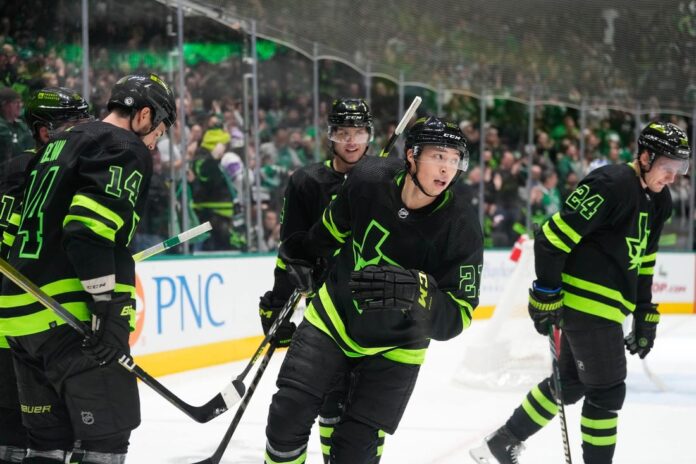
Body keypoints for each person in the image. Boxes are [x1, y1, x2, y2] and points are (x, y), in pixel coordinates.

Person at [263, 116, 484, 463]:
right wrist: (304, 256)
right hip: (335, 317)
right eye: (438, 156)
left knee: (355, 450)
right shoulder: (368, 178)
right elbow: (330, 231)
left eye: (455, 160)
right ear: (411, 155)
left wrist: (418, 293)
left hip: (397, 345)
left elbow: (460, 315)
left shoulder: (462, 226)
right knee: (286, 416)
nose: (447, 168)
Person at [469, 121, 690, 464]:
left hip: (608, 307)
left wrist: (645, 310)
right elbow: (551, 238)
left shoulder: (660, 201)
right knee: (607, 390)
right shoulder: (610, 183)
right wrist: (546, 290)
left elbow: (645, 259)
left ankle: (502, 441)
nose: (673, 177)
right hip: (586, 303)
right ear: (645, 157)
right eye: (667, 167)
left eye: (680, 168)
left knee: (571, 384)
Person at [0, 73, 175, 464]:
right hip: (69, 313)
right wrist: (103, 302)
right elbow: (87, 229)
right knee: (105, 439)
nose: (154, 143)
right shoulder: (123, 145)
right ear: (144, 115)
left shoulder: (54, 146)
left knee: (46, 443)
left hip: (21, 320)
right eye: (159, 132)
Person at [258, 98, 374, 463]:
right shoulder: (307, 182)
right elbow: (292, 249)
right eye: (343, 133)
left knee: (364, 413)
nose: (351, 141)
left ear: (369, 135)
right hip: (326, 307)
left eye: (358, 133)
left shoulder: (385, 178)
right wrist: (277, 303)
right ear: (330, 136)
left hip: (375, 309)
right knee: (331, 399)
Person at [0, 87, 91, 464]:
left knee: (22, 433)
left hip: (23, 319)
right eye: (74, 124)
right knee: (40, 433)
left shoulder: (23, 166)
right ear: (43, 131)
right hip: (31, 323)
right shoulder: (42, 169)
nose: (84, 131)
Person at [0, 87, 33, 164]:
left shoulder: (21, 125)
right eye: (16, 102)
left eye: (20, 102)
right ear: (4, 105)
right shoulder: (2, 128)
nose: (20, 105)